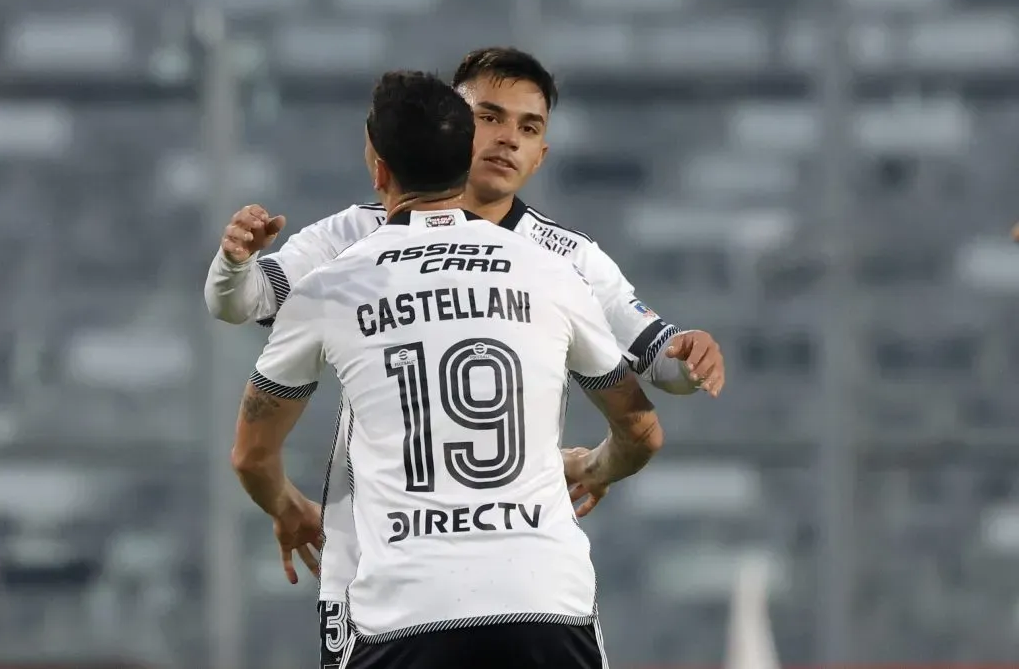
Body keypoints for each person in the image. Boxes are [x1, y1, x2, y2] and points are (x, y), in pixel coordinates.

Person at [207, 47, 721, 664]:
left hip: (433, 593)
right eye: (490, 118)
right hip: (394, 571)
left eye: (528, 128)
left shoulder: (567, 256)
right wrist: (234, 262)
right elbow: (246, 298)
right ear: (450, 124)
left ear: (542, 154)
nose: (507, 140)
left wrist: (689, 358)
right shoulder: (352, 235)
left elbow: (660, 355)